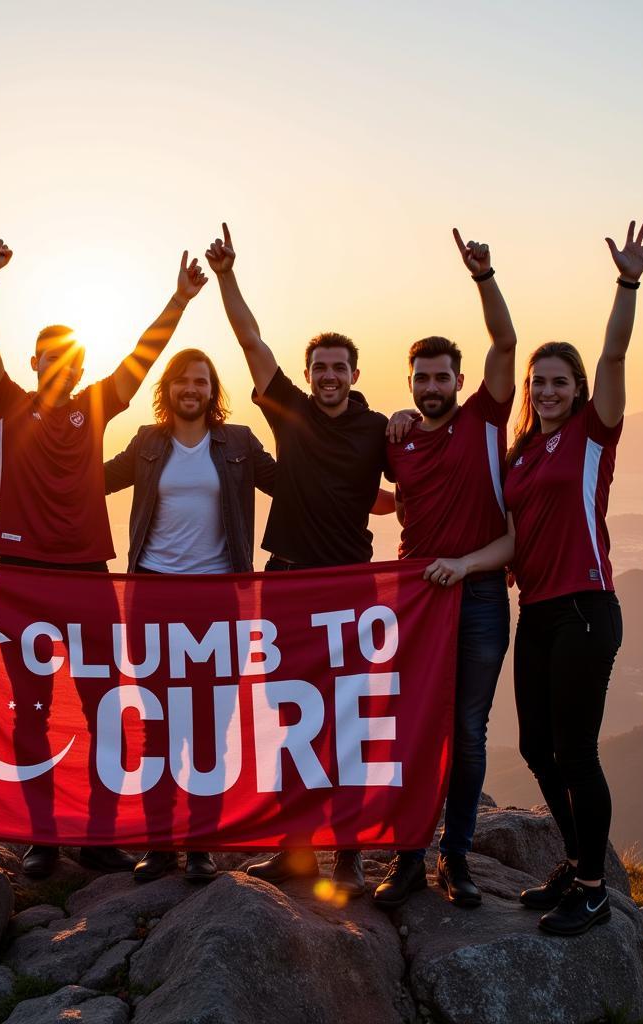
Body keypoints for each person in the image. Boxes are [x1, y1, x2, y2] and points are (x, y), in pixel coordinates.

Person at [0, 237, 207, 878]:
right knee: (32, 713)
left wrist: (179, 298)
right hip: (22, 579)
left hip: (88, 579)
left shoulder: (95, 406)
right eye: (48, 357)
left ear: (77, 367)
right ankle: (42, 837)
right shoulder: (10, 406)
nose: (58, 367)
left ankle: (99, 838)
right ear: (36, 360)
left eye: (69, 359)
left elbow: (143, 354)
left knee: (106, 709)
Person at [204, 223, 389, 897]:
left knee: (345, 720)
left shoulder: (378, 429)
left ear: (355, 375)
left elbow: (426, 475)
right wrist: (226, 275)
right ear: (308, 378)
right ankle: (296, 849)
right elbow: (252, 343)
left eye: (340, 368)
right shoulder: (291, 413)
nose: (330, 377)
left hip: (350, 587)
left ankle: (349, 854)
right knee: (289, 715)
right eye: (320, 369)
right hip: (284, 579)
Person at [504, 222, 643, 935]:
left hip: (586, 609)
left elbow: (614, 351)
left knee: (575, 751)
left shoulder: (596, 431)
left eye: (557, 382)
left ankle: (595, 890)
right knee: (538, 747)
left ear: (577, 389)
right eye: (537, 382)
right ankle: (576, 862)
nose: (545, 391)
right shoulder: (519, 457)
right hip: (534, 613)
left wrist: (626, 284)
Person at [371, 230, 516, 911]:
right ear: (410, 385)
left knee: (468, 730)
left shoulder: (486, 418)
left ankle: (454, 858)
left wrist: (484, 277)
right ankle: (406, 857)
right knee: (411, 729)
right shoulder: (394, 441)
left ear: (459, 382)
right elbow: (353, 487)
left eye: (441, 377)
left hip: (480, 594)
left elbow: (506, 346)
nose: (432, 387)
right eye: (421, 379)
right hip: (414, 601)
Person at [103, 348, 276, 882]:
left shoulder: (239, 443)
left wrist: (382, 492)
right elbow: (92, 479)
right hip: (152, 593)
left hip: (217, 598)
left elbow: (297, 486)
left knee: (209, 725)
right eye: (182, 381)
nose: (191, 389)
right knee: (157, 724)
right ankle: (159, 846)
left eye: (200, 381)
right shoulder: (148, 442)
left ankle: (200, 844)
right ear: (169, 389)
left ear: (212, 389)